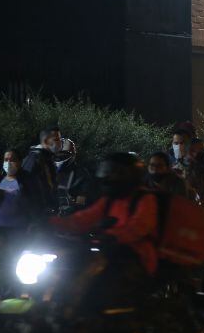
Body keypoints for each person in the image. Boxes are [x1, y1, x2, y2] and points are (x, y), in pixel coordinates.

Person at [48, 153, 160, 312]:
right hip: (108, 250)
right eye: (107, 171)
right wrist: (51, 223)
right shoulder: (110, 200)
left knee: (100, 290)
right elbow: (84, 218)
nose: (109, 177)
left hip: (135, 256)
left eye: (115, 172)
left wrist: (115, 236)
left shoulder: (144, 199)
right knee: (66, 270)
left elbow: (139, 226)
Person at [0, 149, 43, 300]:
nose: (8, 163)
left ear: (19, 162)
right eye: (6, 159)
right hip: (0, 228)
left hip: (19, 228)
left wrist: (33, 222)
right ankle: (5, 296)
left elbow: (34, 202)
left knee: (17, 262)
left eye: (12, 159)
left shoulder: (27, 180)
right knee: (4, 262)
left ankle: (17, 294)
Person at [21, 126, 60, 216]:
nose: (60, 143)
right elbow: (27, 188)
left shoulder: (47, 159)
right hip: (36, 215)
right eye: (56, 139)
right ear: (46, 141)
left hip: (47, 212)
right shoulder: (34, 159)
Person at [54, 138, 95, 213]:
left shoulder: (80, 174)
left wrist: (72, 209)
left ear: (72, 155)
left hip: (68, 215)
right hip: (47, 211)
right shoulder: (48, 170)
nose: (59, 156)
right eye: (57, 154)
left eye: (63, 154)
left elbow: (82, 199)